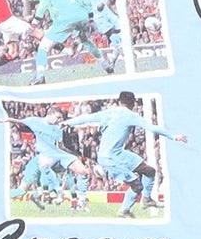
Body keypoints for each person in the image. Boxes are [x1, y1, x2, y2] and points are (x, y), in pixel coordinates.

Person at [60, 91, 187, 219]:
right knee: (136, 185)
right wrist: (173, 136)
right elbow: (152, 128)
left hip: (117, 153)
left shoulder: (107, 113)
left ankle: (146, 199)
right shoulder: (131, 116)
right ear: (133, 104)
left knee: (149, 171)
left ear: (119, 102)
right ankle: (124, 210)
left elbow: (86, 118)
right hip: (110, 158)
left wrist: (67, 122)